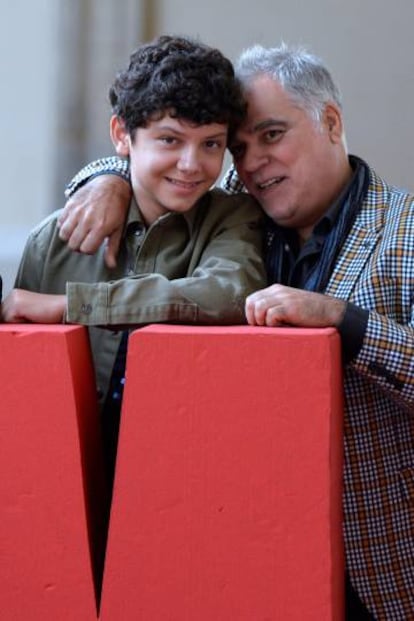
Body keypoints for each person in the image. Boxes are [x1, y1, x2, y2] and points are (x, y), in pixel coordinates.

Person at [55, 42, 414, 620]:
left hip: (381, 570)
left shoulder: (406, 231)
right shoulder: (231, 213)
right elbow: (160, 159)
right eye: (239, 147)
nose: (252, 163)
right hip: (246, 559)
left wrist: (347, 324)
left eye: (272, 136)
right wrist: (108, 179)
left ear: (330, 121)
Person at [0, 35, 266, 487]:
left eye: (211, 144)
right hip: (59, 477)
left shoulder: (232, 218)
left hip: (185, 477)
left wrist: (72, 307)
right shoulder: (55, 240)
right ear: (122, 135)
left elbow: (229, 293)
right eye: (169, 140)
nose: (191, 164)